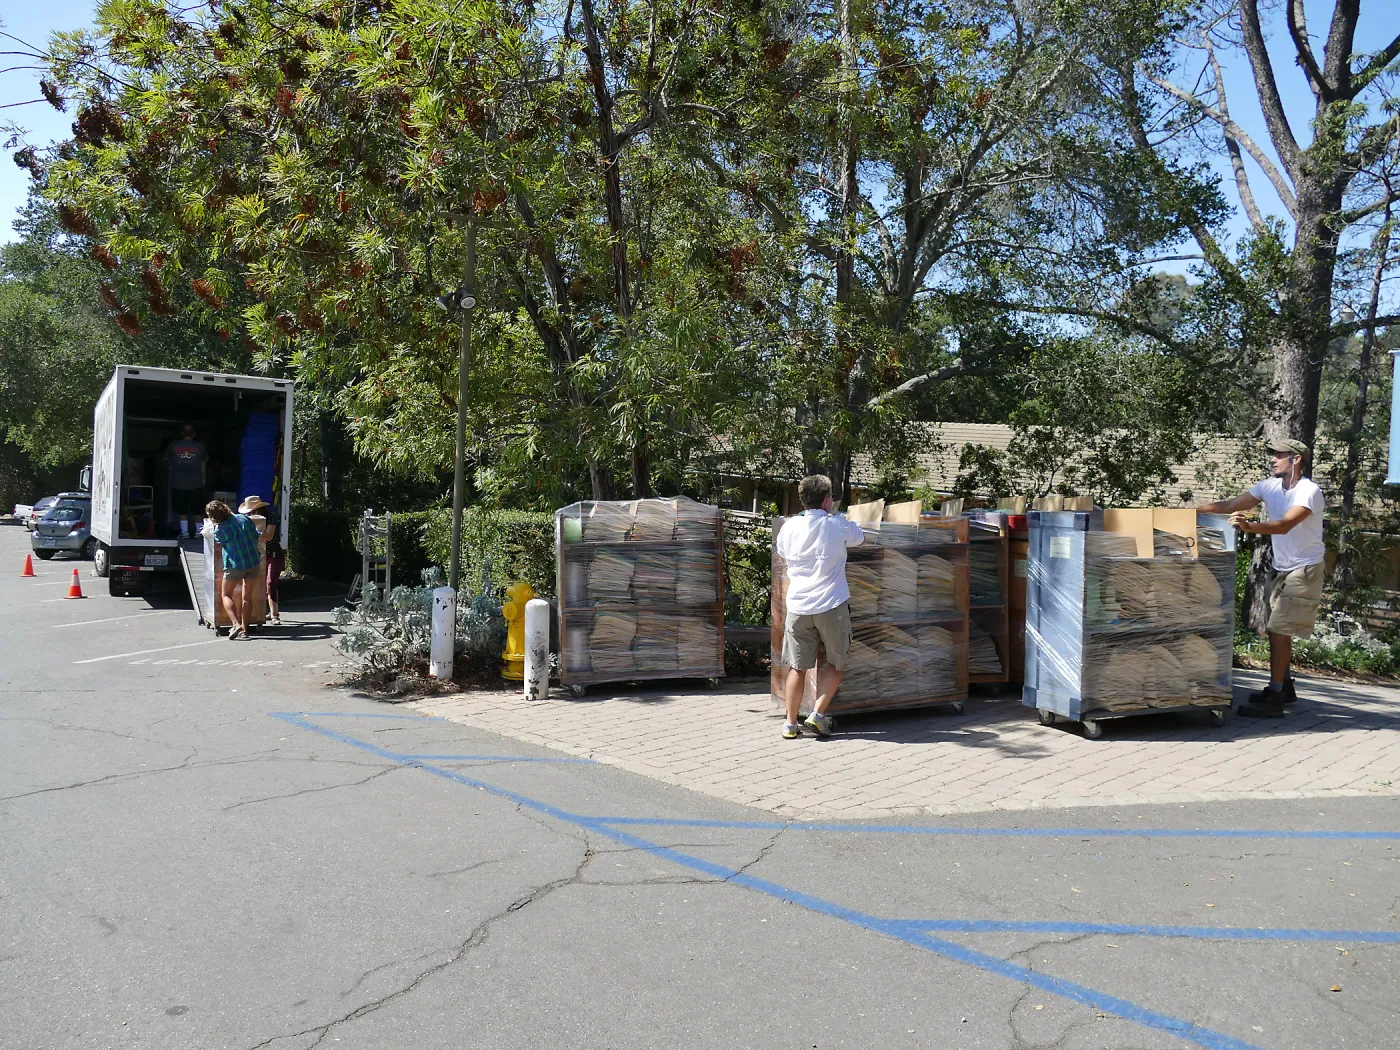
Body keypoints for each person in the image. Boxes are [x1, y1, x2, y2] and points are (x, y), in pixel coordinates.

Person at [1199, 439, 1325, 717]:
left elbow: (1284, 525)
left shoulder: (1308, 491)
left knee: (1279, 630)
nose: (1273, 459)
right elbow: (1232, 503)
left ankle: (1276, 697)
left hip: (1304, 569)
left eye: (1279, 455)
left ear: (1296, 460)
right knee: (1275, 629)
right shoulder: (1269, 486)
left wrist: (1249, 526)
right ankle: (1284, 685)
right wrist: (1192, 512)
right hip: (1281, 567)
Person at [775, 474, 865, 738]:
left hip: (798, 606)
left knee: (797, 667)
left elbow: (781, 552)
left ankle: (790, 725)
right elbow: (860, 538)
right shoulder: (837, 525)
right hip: (831, 604)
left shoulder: (789, 527)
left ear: (803, 501)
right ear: (827, 500)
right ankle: (817, 715)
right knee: (836, 663)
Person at [205, 500, 263, 640]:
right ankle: (244, 630)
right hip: (253, 561)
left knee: (226, 594)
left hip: (235, 564)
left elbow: (220, 542)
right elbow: (256, 535)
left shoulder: (220, 529)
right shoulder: (243, 518)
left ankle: (235, 624)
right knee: (247, 597)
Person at [239, 495, 282, 626]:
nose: (250, 513)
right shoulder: (249, 520)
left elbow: (268, 537)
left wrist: (254, 532)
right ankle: (268, 612)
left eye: (251, 510)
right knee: (261, 585)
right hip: (260, 555)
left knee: (270, 583)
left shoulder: (270, 518)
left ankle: (275, 615)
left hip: (274, 554)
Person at [164, 423, 209, 538]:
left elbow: (165, 459)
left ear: (182, 433)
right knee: (198, 510)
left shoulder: (173, 445)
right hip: (196, 483)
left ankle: (185, 533)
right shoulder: (200, 446)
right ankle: (199, 533)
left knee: (181, 510)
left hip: (178, 484)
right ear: (194, 434)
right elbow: (205, 460)